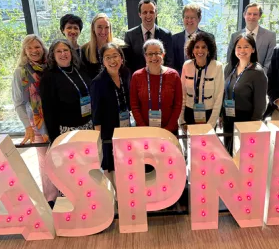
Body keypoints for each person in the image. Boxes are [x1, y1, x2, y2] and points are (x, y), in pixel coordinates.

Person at [12, 34, 58, 208]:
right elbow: (18, 103)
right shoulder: (20, 72)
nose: (34, 51)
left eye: (37, 47)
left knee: (59, 156)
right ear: (24, 51)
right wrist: (27, 126)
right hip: (37, 123)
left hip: (56, 118)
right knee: (45, 160)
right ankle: (50, 198)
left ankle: (64, 190)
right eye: (29, 48)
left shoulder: (50, 67)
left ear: (43, 48)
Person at [91, 43, 131, 195]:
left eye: (115, 56)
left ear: (121, 58)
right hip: (108, 132)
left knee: (124, 163)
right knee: (111, 166)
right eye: (108, 57)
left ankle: (125, 195)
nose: (112, 60)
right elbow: (96, 113)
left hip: (125, 128)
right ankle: (115, 200)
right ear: (103, 61)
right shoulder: (98, 82)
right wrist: (99, 139)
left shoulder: (126, 74)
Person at [221, 34, 267, 155]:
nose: (242, 50)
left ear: (253, 49)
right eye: (239, 47)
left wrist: (253, 125)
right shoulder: (229, 68)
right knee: (229, 152)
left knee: (243, 155)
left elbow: (260, 104)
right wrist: (221, 114)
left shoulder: (257, 72)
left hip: (246, 119)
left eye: (246, 47)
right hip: (228, 117)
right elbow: (224, 93)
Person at [40, 39, 93, 143]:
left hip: (88, 125)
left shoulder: (80, 68)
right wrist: (54, 138)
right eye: (58, 51)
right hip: (66, 130)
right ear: (52, 55)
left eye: (65, 50)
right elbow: (48, 110)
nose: (63, 54)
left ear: (71, 52)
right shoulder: (49, 76)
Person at [130, 39, 182, 135]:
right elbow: (134, 106)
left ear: (163, 54)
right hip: (144, 132)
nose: (154, 57)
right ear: (145, 56)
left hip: (169, 131)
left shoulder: (173, 75)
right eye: (150, 54)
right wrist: (144, 128)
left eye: (157, 53)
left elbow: (178, 105)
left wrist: (168, 129)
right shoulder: (137, 76)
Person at [179, 32, 224, 129]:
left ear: (209, 50)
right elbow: (182, 95)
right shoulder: (187, 65)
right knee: (190, 144)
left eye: (204, 47)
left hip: (209, 115)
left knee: (207, 144)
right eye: (197, 47)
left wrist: (211, 124)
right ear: (192, 49)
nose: (200, 50)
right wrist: (182, 120)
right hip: (189, 115)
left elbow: (218, 98)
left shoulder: (217, 67)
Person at [124, 0, 174, 73]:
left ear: (156, 14)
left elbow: (169, 61)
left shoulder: (166, 34)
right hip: (139, 80)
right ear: (139, 14)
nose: (148, 15)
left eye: (151, 12)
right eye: (145, 12)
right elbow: (127, 63)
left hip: (160, 78)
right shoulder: (130, 35)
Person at [227, 3, 276, 73]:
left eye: (255, 14)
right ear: (244, 15)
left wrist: (259, 77)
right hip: (239, 78)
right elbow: (230, 60)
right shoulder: (235, 36)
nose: (252, 17)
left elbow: (269, 62)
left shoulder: (270, 36)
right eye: (249, 14)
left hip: (261, 78)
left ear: (260, 16)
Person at [172, 3, 215, 76]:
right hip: (180, 79)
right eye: (186, 17)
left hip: (203, 79)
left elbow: (212, 62)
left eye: (192, 18)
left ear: (199, 19)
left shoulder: (209, 38)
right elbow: (171, 64)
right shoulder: (174, 39)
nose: (189, 20)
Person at [81, 13, 126, 80]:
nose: (103, 31)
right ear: (93, 28)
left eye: (107, 27)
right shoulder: (85, 50)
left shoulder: (120, 47)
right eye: (99, 27)